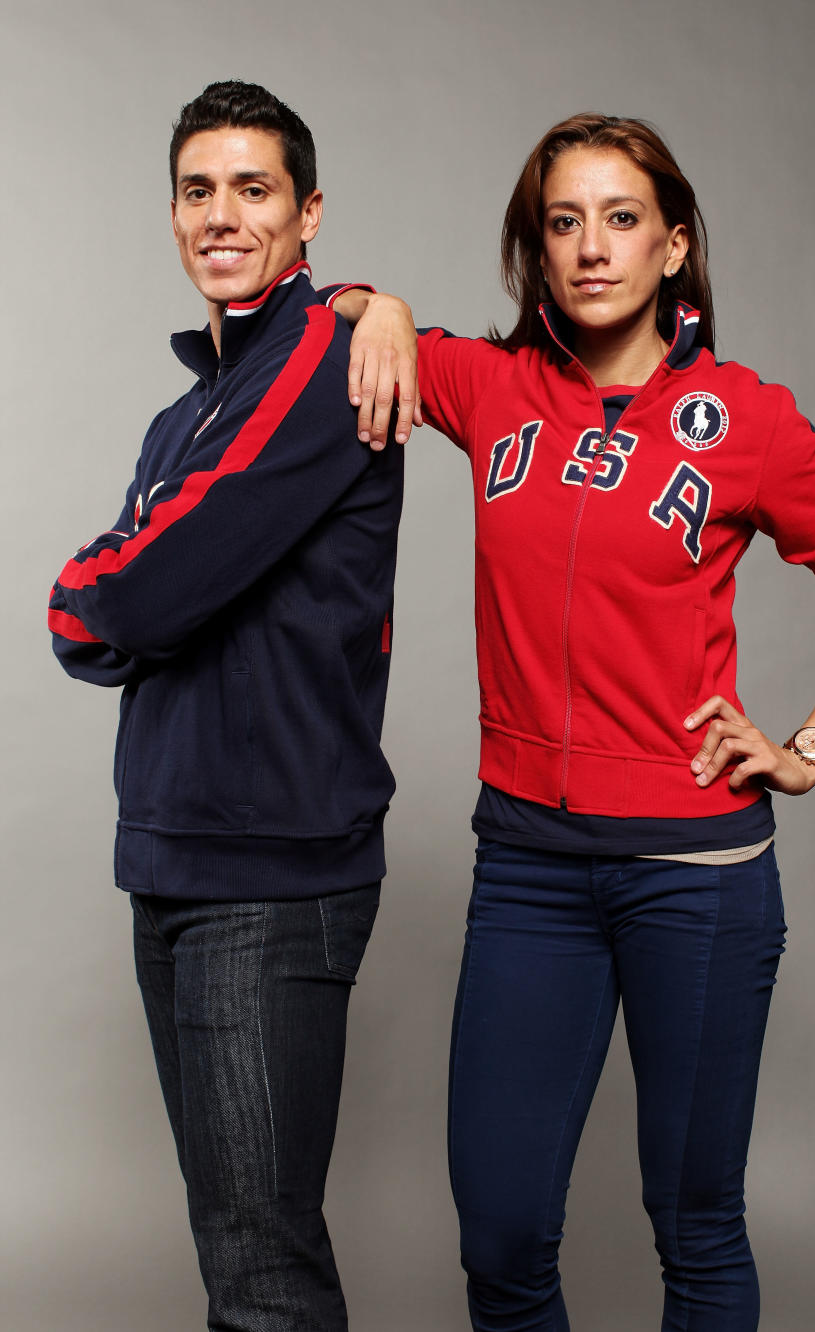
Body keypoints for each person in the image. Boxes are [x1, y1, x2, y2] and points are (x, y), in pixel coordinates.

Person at [333, 113, 815, 1331]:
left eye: (620, 219)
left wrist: (812, 742)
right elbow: (330, 308)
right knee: (500, 1237)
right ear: (535, 249)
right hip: (530, 871)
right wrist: (382, 301)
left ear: (673, 245)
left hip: (696, 874)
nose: (591, 248)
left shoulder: (747, 419)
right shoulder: (493, 390)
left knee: (697, 1229)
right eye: (563, 222)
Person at [47, 81, 406, 1332]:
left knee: (262, 1270)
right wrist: (119, 590)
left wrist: (100, 593)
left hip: (273, 876)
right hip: (177, 858)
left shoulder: (318, 363)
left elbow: (132, 599)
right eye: (199, 189)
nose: (221, 215)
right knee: (233, 1248)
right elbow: (136, 592)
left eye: (253, 189)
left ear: (308, 215)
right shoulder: (182, 412)